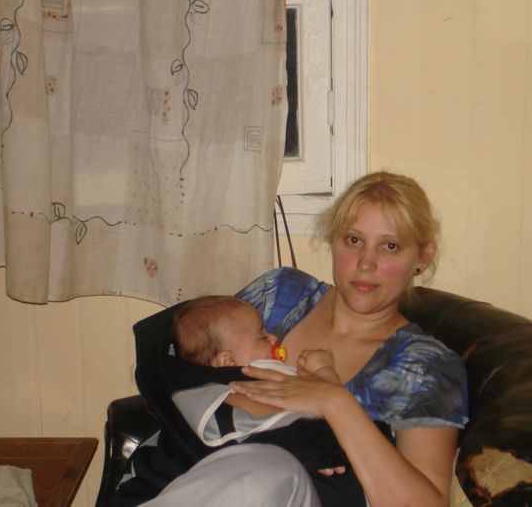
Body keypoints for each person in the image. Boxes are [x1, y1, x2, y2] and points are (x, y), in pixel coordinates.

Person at [140, 171, 468, 507]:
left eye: (390, 246)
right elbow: (189, 357)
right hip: (192, 479)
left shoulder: (424, 368)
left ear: (422, 257)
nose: (366, 263)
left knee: (270, 470)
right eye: (353, 240)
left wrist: (334, 402)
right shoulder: (280, 296)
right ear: (333, 240)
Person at [172, 294, 340, 385]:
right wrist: (323, 370)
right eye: (262, 337)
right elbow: (326, 401)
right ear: (229, 361)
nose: (273, 338)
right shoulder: (263, 374)